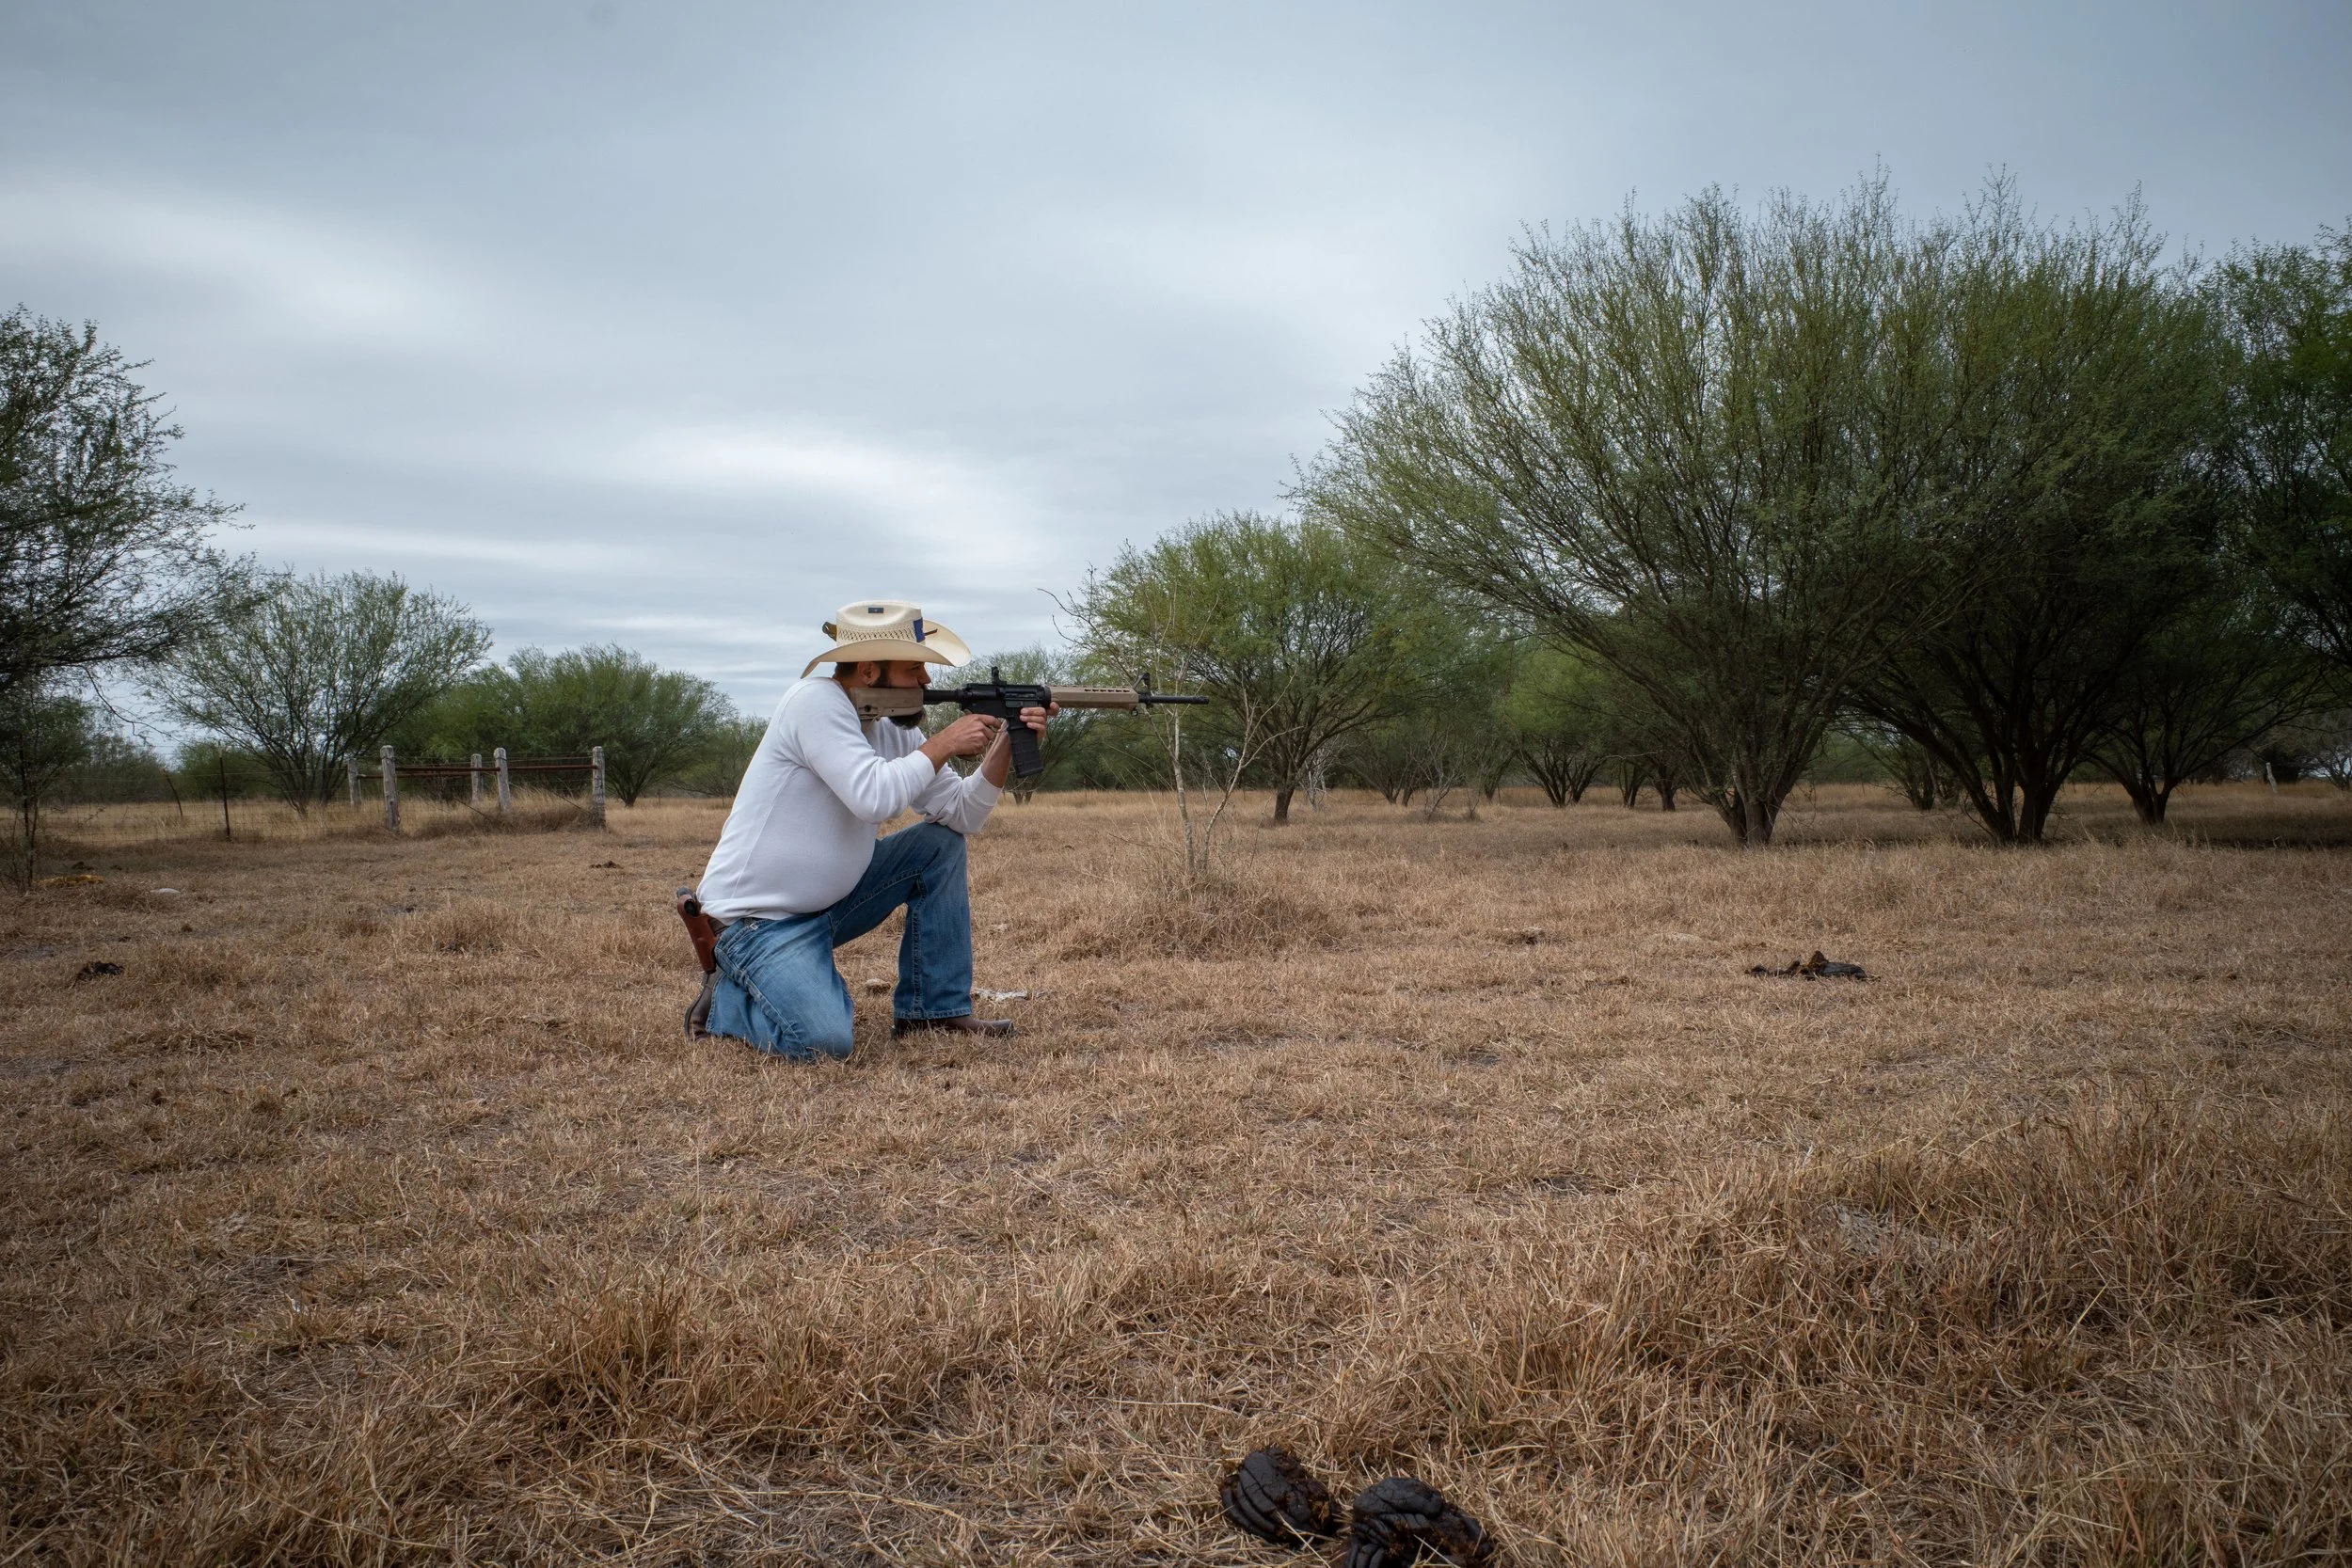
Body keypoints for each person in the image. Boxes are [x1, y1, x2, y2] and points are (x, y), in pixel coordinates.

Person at [689, 599, 1056, 1058]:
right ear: (868, 670)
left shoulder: (892, 725)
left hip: (829, 907)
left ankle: (933, 1010)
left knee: (939, 844)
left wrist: (1007, 740)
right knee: (825, 1043)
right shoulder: (813, 702)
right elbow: (872, 798)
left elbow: (962, 814)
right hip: (758, 923)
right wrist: (944, 743)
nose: (926, 680)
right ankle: (725, 1001)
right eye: (914, 668)